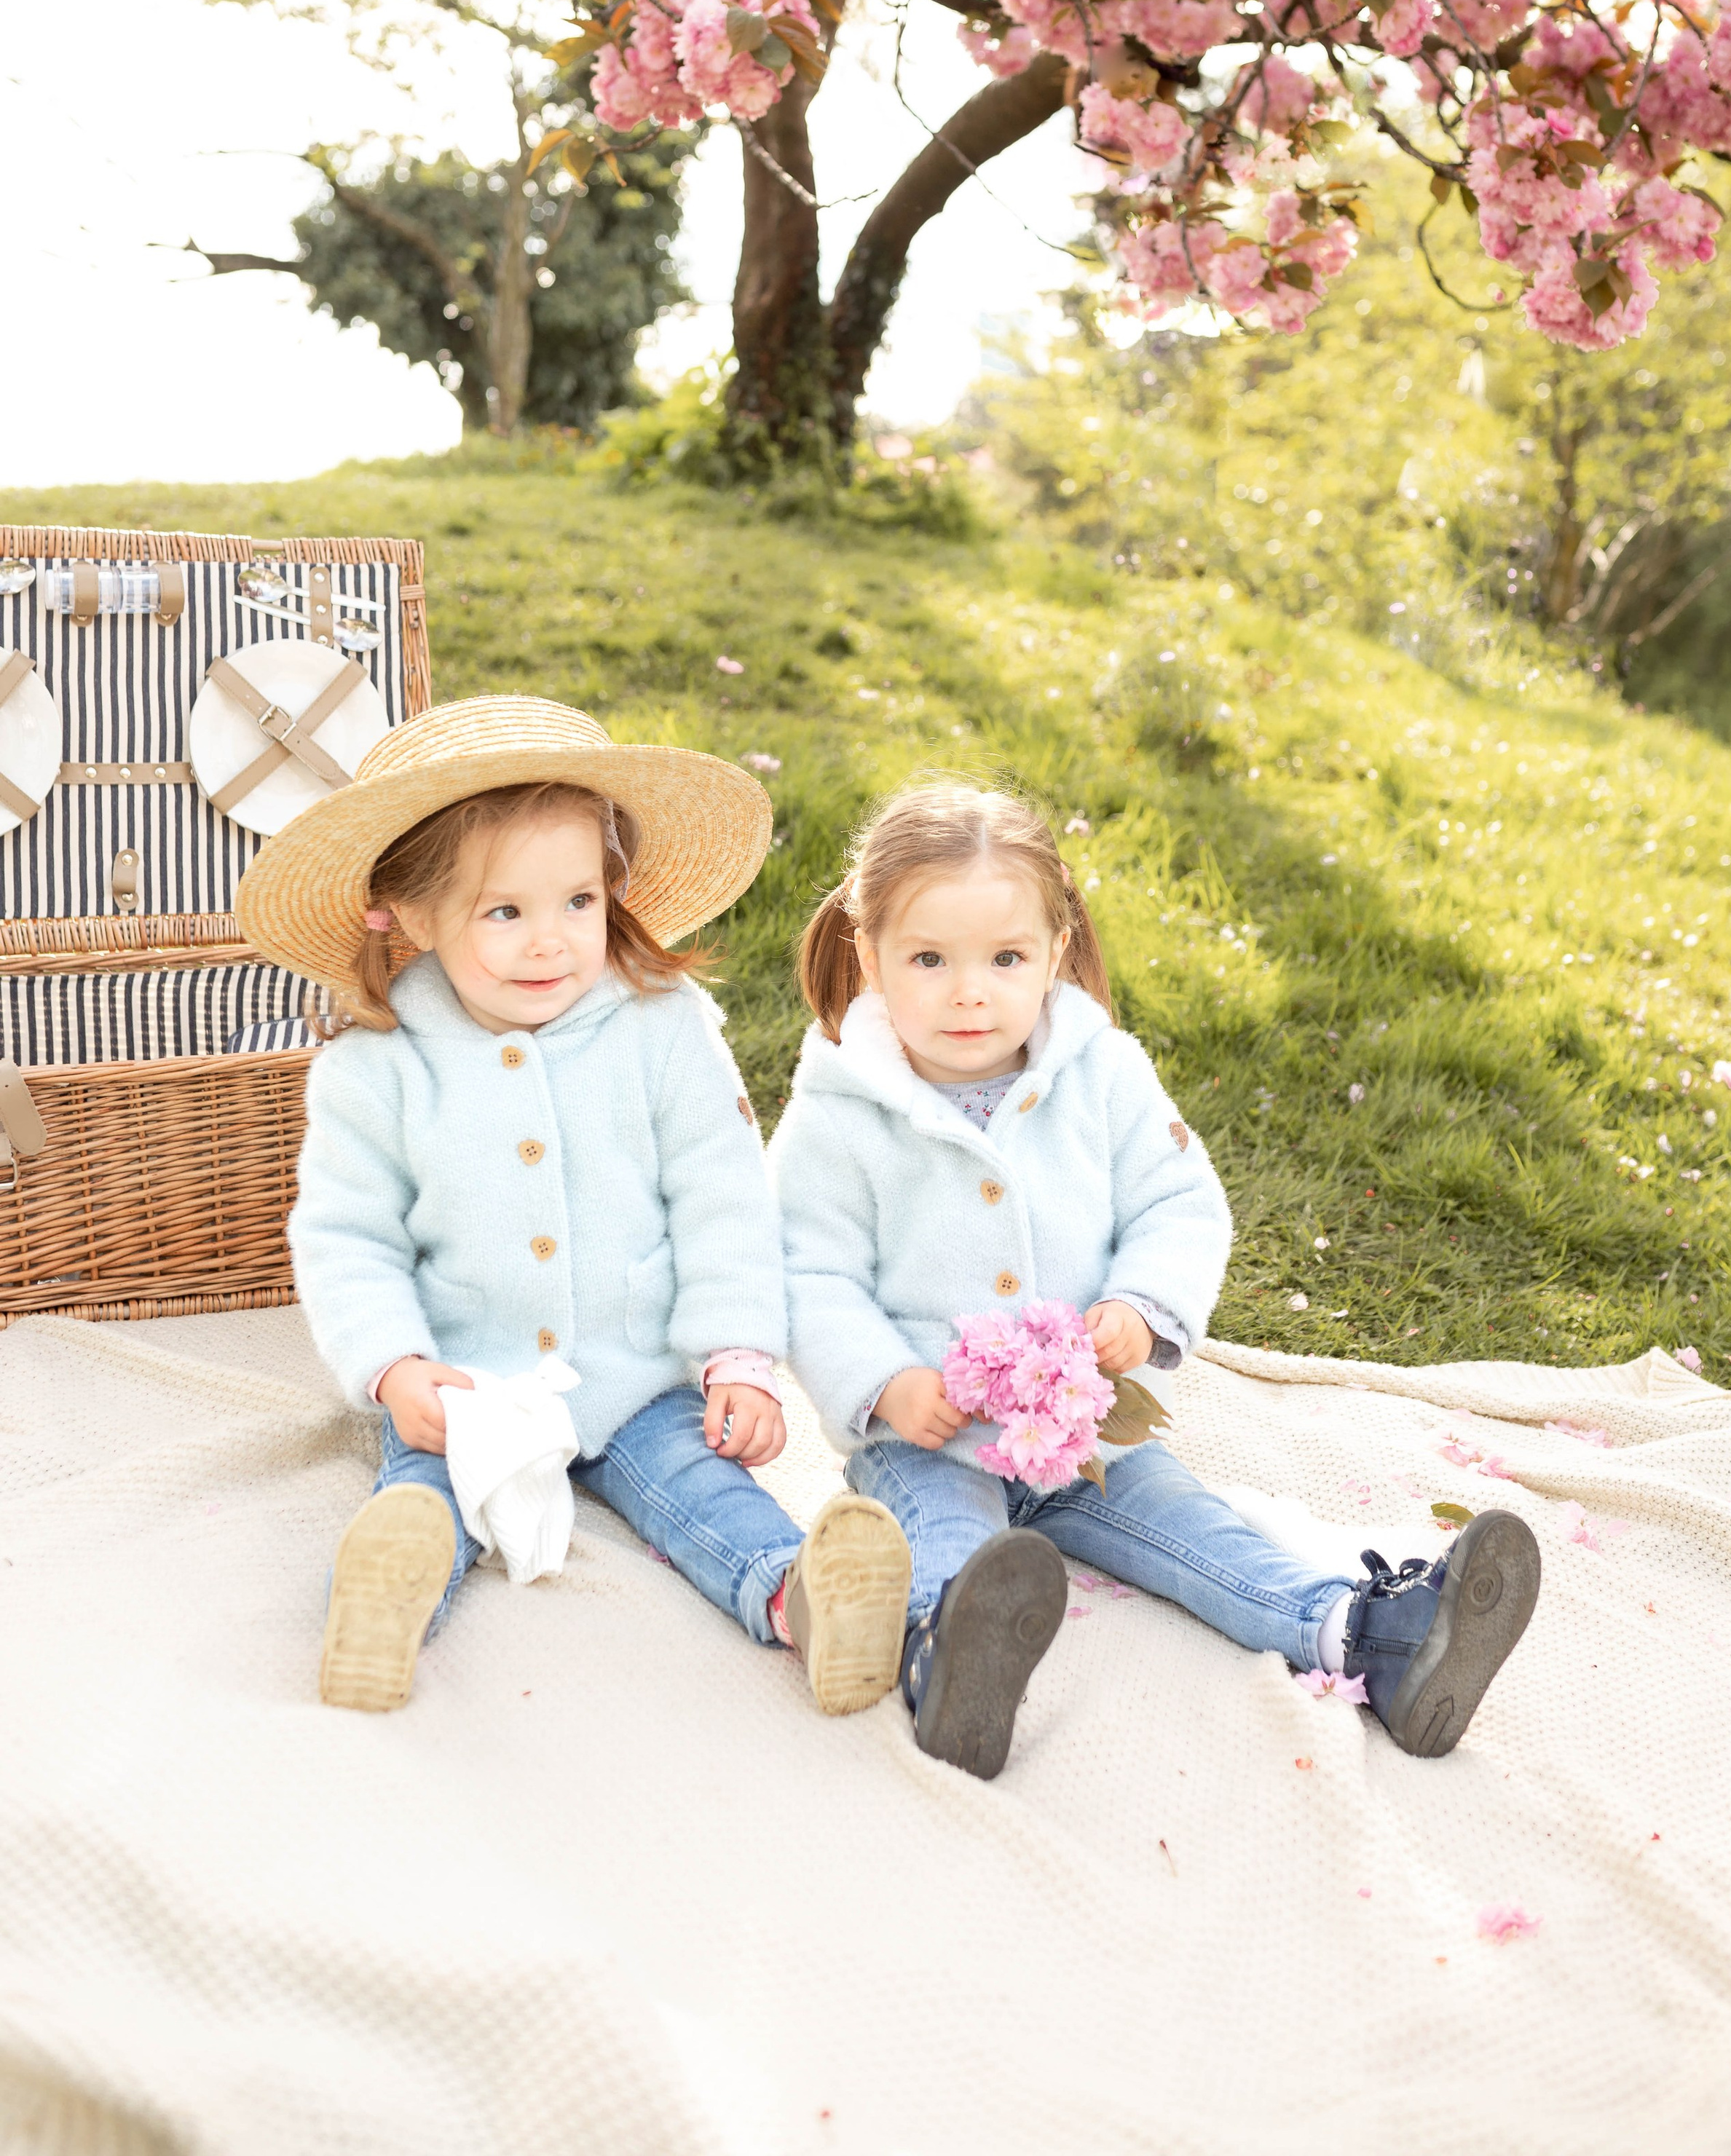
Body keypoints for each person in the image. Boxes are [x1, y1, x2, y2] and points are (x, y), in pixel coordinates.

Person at [772, 776, 1540, 1781]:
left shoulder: (1102, 1074)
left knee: (1196, 1532)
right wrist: (885, 1384)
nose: (970, 992)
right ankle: (953, 1661)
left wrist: (1140, 1308)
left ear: (1055, 950)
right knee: (953, 1548)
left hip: (1087, 1435)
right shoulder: (840, 1114)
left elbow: (1180, 1204)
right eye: (929, 960)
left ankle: (1371, 1639)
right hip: (932, 1440)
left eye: (1005, 959)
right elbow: (807, 1271)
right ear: (869, 954)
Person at [236, 695, 910, 1714]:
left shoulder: (662, 1026)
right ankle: (382, 1601)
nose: (550, 942)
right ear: (412, 915)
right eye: (504, 912)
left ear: (612, 892)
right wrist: (395, 1365)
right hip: (469, 1377)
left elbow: (723, 1198)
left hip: (637, 1370)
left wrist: (737, 1355)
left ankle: (801, 1596)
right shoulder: (376, 1068)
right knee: (426, 1485)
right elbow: (347, 1237)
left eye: (579, 902)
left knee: (706, 1487)